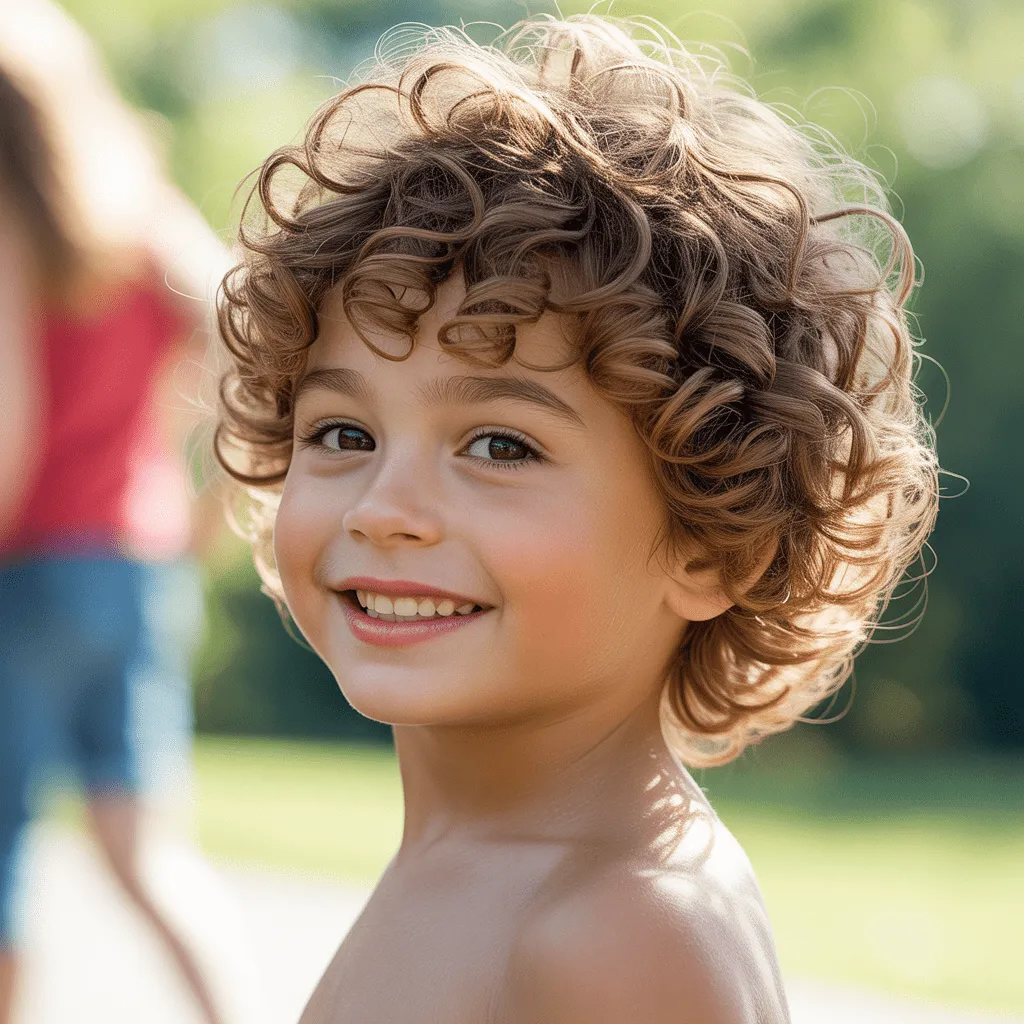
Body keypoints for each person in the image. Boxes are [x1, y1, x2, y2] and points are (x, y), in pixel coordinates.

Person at [214, 14, 939, 1023]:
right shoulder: (481, 857)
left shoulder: (621, 930)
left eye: (499, 446)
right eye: (341, 433)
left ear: (709, 539)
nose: (384, 509)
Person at [0, 3, 262, 1022]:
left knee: (6, 841)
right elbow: (240, 326)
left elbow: (10, 409)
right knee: (149, 851)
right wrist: (209, 509)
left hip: (30, 564)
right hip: (136, 564)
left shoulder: (13, 219)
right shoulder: (137, 205)